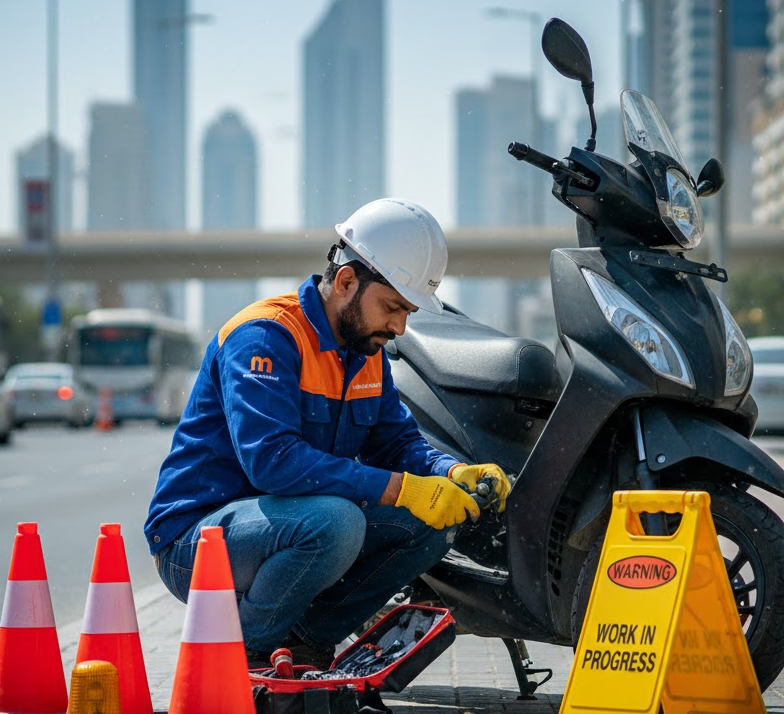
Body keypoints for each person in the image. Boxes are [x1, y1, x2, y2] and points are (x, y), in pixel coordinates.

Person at [144, 197, 511, 669]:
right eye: (393, 307)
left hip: (291, 524)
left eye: (408, 312)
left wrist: (451, 472)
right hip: (195, 543)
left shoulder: (366, 352)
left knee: (435, 519)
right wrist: (401, 488)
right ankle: (238, 654)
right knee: (337, 523)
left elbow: (397, 443)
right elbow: (272, 462)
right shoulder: (265, 337)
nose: (399, 327)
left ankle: (303, 642)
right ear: (346, 282)